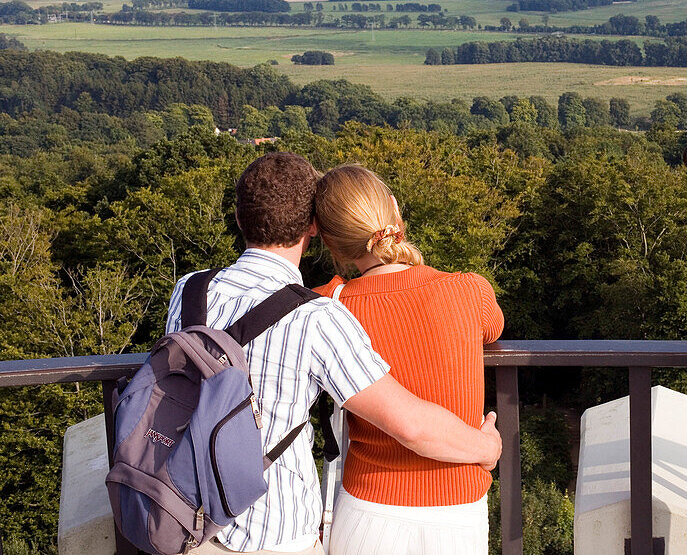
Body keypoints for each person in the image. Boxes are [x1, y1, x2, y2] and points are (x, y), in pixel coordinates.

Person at [165, 152, 501, 555]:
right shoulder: (319, 316)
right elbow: (413, 422)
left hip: (185, 518)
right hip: (278, 531)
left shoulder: (189, 289)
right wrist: (488, 448)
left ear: (239, 219)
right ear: (312, 227)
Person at [313, 164, 504, 555]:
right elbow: (492, 328)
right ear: (395, 210)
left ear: (332, 245)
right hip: (458, 509)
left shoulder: (329, 305)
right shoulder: (469, 289)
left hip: (366, 509)